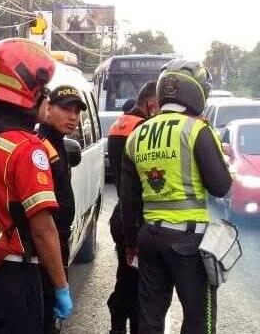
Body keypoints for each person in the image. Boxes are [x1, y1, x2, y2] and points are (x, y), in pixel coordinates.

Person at [0, 38, 73, 334]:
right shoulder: (27, 149)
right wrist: (60, 285)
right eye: (44, 92)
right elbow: (43, 229)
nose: (46, 99)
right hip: (14, 275)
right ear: (30, 93)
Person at [120, 60, 232, 334]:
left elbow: (128, 200)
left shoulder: (137, 133)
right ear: (197, 92)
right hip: (188, 241)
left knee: (150, 317)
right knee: (199, 319)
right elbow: (220, 187)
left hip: (149, 239)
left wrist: (131, 243)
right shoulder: (197, 130)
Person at [106, 81, 158, 334]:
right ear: (150, 104)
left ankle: (118, 323)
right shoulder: (143, 129)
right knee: (137, 283)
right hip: (135, 217)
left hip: (122, 213)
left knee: (126, 276)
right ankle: (126, 324)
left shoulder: (119, 123)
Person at [36, 85, 86, 334]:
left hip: (57, 241)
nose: (73, 117)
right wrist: (60, 284)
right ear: (48, 108)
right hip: (44, 249)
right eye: (66, 109)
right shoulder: (40, 148)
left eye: (77, 111)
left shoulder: (58, 144)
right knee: (43, 317)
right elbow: (41, 221)